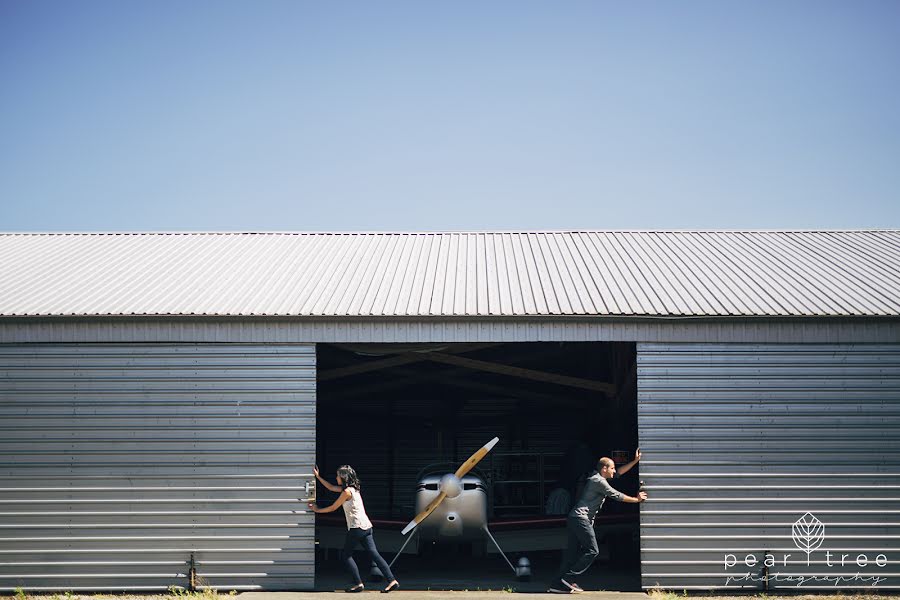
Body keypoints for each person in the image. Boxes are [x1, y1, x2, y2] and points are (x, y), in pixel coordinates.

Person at [548, 448, 647, 594]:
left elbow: (619, 473)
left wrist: (635, 461)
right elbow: (616, 495)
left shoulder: (599, 478)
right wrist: (636, 500)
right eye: (612, 468)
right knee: (593, 550)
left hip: (575, 518)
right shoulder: (598, 482)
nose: (614, 471)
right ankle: (569, 578)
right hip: (581, 519)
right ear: (604, 468)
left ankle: (556, 584)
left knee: (571, 554)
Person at [308, 464, 400, 593]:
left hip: (356, 527)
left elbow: (334, 507)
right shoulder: (354, 489)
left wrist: (317, 510)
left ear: (344, 478)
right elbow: (330, 487)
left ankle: (358, 583)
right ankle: (392, 580)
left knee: (345, 555)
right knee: (374, 554)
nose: (336, 478)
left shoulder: (346, 492)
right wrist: (318, 477)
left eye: (338, 476)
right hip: (367, 526)